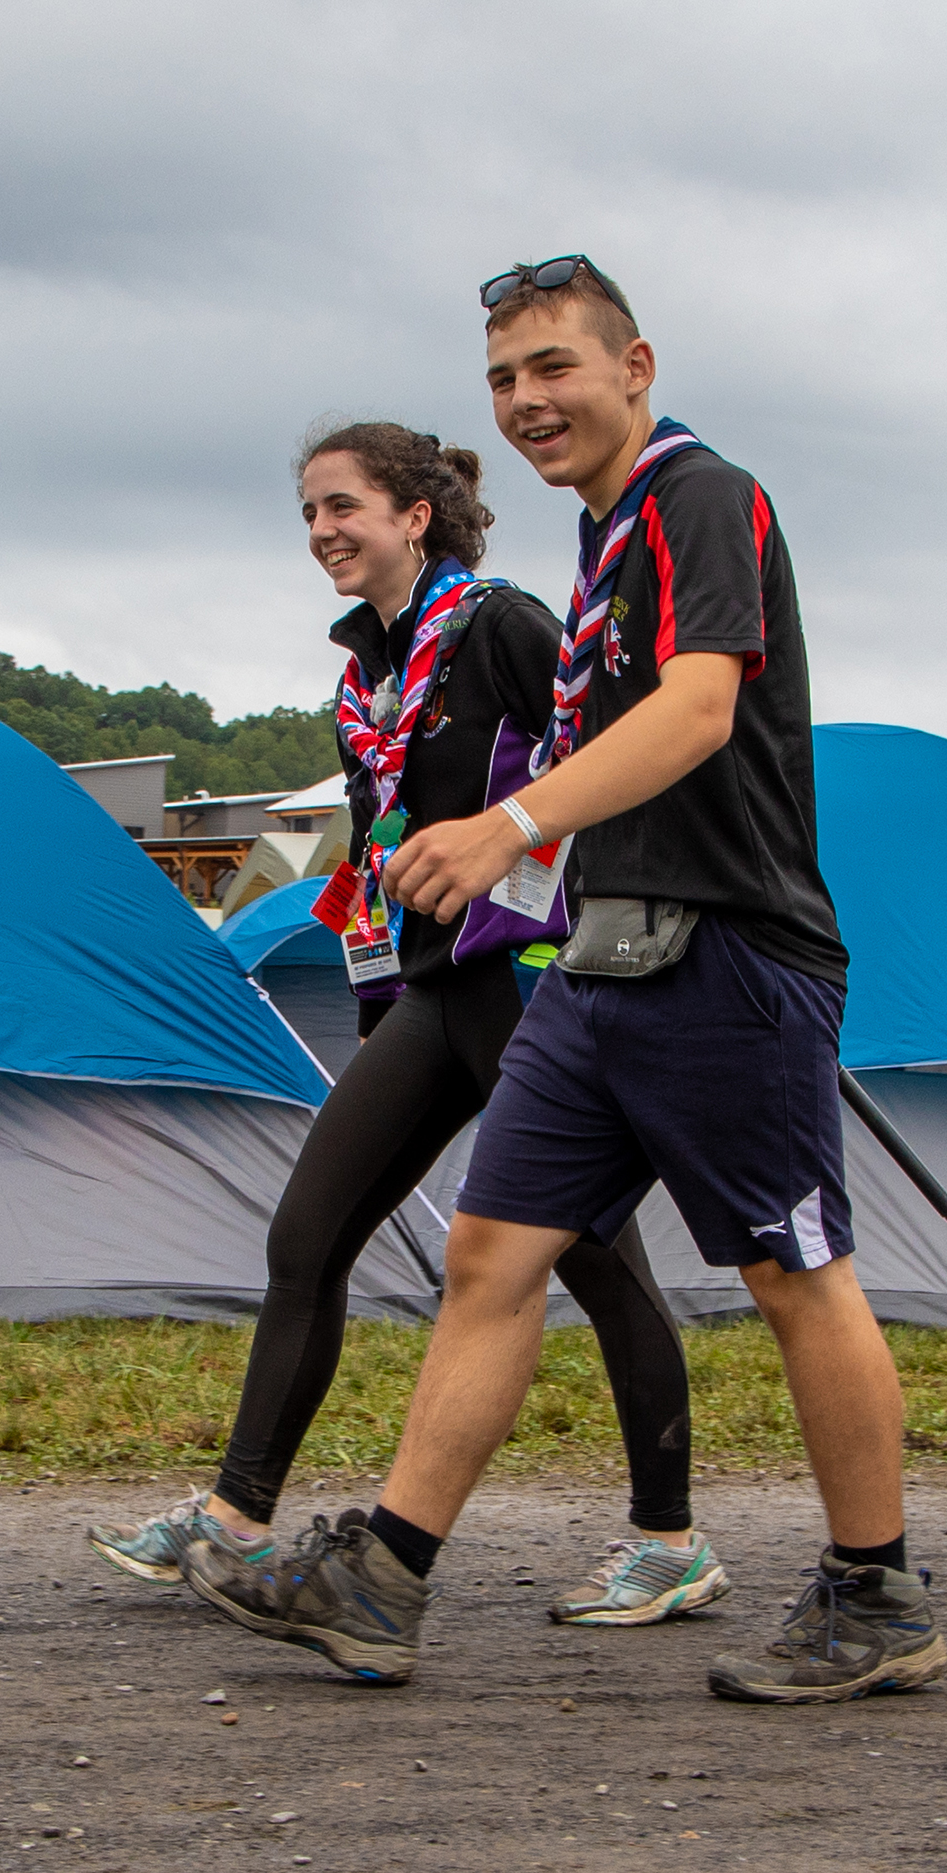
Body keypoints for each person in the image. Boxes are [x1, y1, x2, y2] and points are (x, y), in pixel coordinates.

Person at [180, 256, 943, 1705]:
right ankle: (383, 1576)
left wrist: (505, 826)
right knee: (491, 1256)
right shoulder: (604, 540)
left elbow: (704, 711)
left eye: (553, 368)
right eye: (504, 379)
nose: (528, 401)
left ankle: (875, 1590)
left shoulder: (700, 497)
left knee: (793, 1274)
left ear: (634, 366)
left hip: (730, 951)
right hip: (598, 962)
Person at [89, 421, 728, 1629]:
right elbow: (391, 843)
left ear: (414, 516)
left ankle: (670, 1541)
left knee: (596, 1261)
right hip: (435, 989)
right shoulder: (360, 676)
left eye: (346, 508)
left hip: (541, 978)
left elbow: (620, 750)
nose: (326, 532)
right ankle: (233, 1518)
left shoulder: (503, 625)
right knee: (307, 1234)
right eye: (311, 515)